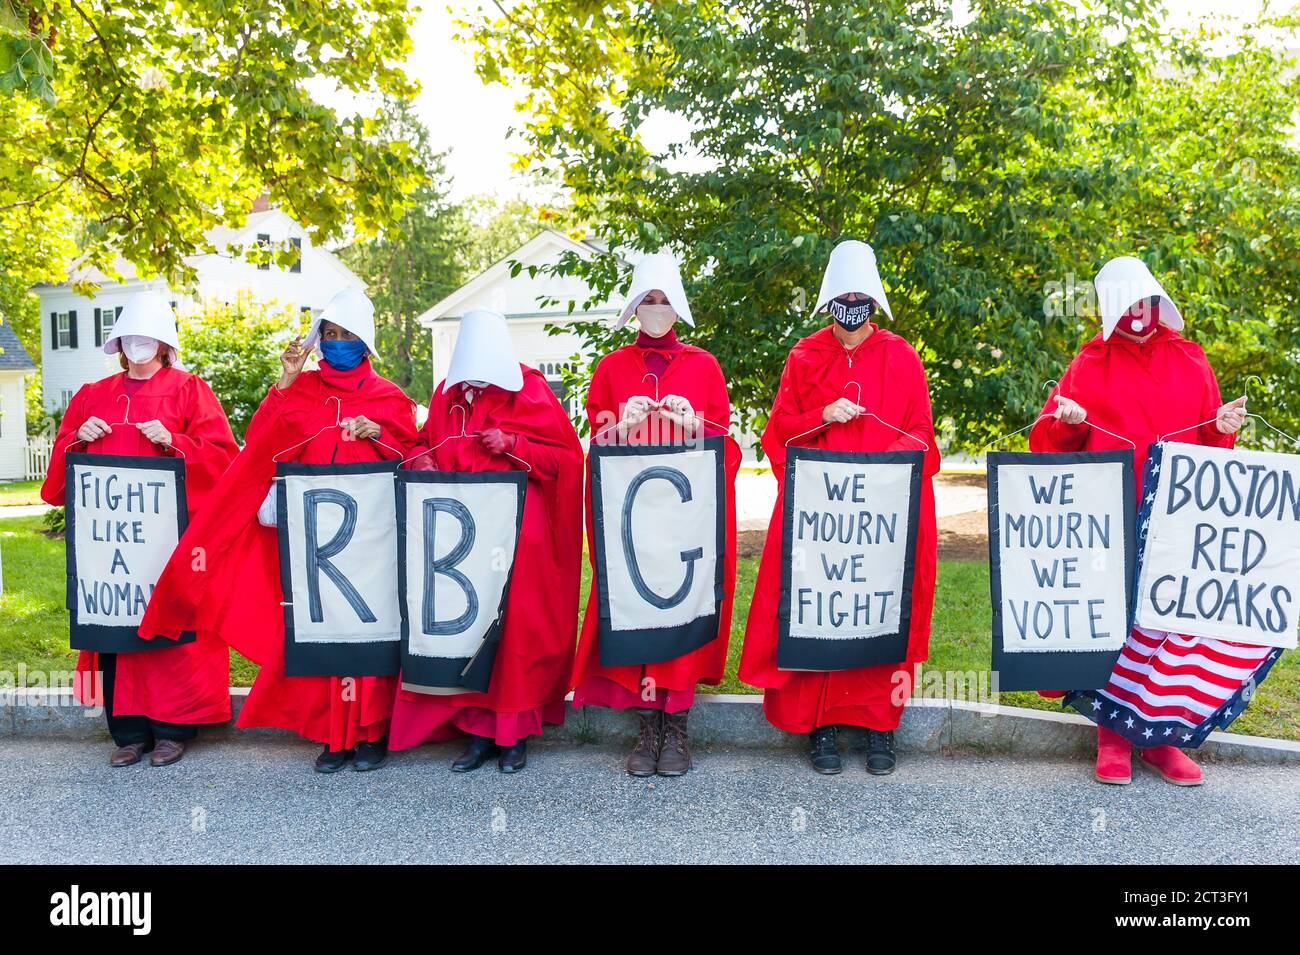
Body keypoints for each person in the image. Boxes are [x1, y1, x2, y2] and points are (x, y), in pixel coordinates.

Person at [140, 289, 418, 773]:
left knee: (370, 633)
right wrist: (286, 382)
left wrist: (381, 436)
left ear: (365, 341)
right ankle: (335, 735)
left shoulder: (389, 397)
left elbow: (413, 458)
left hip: (372, 541)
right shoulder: (303, 391)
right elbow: (263, 442)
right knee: (319, 632)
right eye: (328, 335)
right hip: (311, 541)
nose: (336, 343)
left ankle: (372, 731)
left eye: (346, 335)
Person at [1030, 255, 1255, 786]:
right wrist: (1065, 423)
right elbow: (1049, 443)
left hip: (1180, 518)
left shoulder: (1191, 359)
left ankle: (1161, 740)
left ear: (1159, 301)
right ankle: (1112, 736)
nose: (1140, 311)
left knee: (1168, 627)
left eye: (1147, 300)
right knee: (1121, 627)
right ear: (1112, 309)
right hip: (1114, 516)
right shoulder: (1089, 365)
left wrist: (1225, 427)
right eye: (1129, 303)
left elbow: (1211, 446)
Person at [740, 240, 940, 775]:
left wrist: (879, 471)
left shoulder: (901, 356)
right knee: (818, 608)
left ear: (873, 300)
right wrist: (821, 414)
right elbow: (778, 433)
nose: (852, 304)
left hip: (880, 516)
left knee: (878, 609)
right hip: (821, 515)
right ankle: (820, 724)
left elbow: (923, 437)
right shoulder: (804, 356)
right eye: (842, 295)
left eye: (861, 295)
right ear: (830, 300)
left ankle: (880, 726)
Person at [42, 290, 239, 767]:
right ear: (117, 342)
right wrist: (76, 443)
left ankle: (173, 729)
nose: (138, 345)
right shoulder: (93, 395)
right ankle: (128, 733)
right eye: (130, 337)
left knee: (168, 630)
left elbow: (224, 460)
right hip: (109, 543)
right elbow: (58, 479)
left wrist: (177, 443)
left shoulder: (192, 390)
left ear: (165, 343)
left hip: (169, 539)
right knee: (117, 626)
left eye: (148, 337)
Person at [388, 308, 583, 774]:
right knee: (469, 626)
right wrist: (420, 462)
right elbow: (422, 442)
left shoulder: (532, 390)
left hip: (520, 533)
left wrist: (516, 444)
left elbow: (568, 460)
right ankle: (477, 732)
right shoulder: (446, 394)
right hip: (464, 533)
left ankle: (513, 734)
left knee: (515, 632)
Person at [570, 252, 741, 776]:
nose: (657, 309)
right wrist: (620, 427)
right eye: (649, 300)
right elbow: (596, 446)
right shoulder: (612, 368)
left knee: (683, 607)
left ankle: (677, 724)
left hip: (684, 515)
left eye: (665, 300)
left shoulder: (705, 366)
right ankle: (647, 725)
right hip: (633, 516)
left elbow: (725, 451)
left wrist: (695, 429)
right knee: (637, 605)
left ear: (678, 306)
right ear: (634, 306)